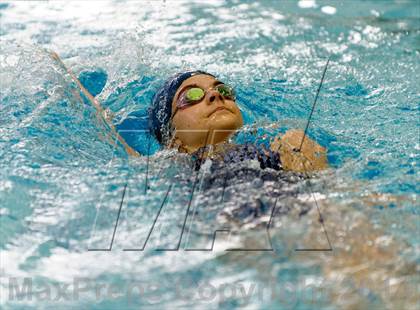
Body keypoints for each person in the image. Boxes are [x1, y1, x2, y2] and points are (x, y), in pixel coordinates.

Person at [51, 52, 327, 173]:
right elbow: (102, 127)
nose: (215, 94)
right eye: (191, 96)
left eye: (223, 90)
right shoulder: (168, 164)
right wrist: (60, 74)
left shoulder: (281, 144)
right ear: (172, 137)